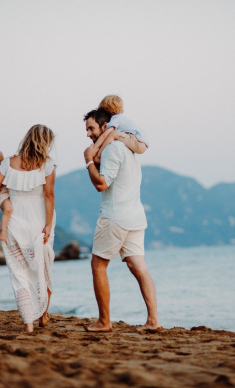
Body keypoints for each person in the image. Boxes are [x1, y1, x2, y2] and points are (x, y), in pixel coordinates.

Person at [82, 109, 161, 332]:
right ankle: (153, 320)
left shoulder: (113, 149)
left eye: (91, 128)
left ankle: (104, 322)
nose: (88, 134)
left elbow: (101, 184)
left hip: (115, 217)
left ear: (105, 126)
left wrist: (89, 162)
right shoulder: (128, 149)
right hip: (135, 217)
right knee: (139, 267)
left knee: (98, 265)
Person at [0, 125, 56, 333]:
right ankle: (43, 315)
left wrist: (5, 202)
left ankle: (28, 324)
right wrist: (48, 224)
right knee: (43, 268)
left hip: (15, 222)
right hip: (39, 221)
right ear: (46, 143)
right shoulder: (48, 165)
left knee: (20, 274)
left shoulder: (8, 163)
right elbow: (49, 196)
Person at [91, 95, 149, 164]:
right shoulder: (120, 118)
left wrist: (95, 148)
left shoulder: (116, 119)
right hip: (141, 143)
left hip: (139, 143)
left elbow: (105, 135)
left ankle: (98, 157)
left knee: (113, 134)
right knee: (115, 134)